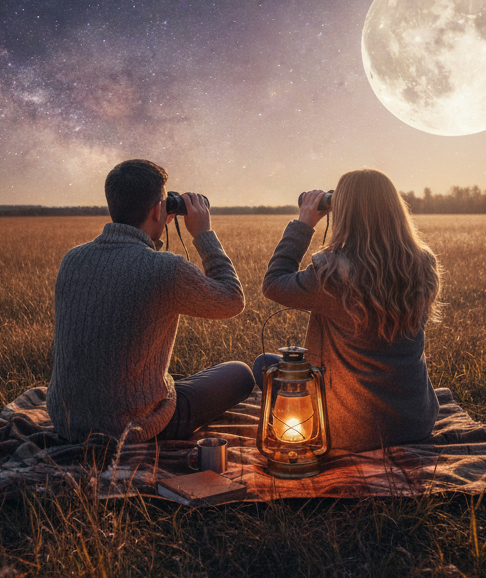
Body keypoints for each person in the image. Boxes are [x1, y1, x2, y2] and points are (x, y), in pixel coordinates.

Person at [47, 159, 253, 443]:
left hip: (67, 423)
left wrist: (153, 231)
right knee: (240, 374)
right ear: (160, 209)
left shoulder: (72, 258)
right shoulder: (165, 269)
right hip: (132, 429)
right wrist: (204, 234)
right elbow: (232, 300)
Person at [256, 169, 442, 452]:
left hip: (353, 432)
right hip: (417, 423)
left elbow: (273, 283)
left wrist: (303, 224)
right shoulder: (423, 264)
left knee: (266, 365)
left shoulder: (332, 273)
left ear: (341, 213)